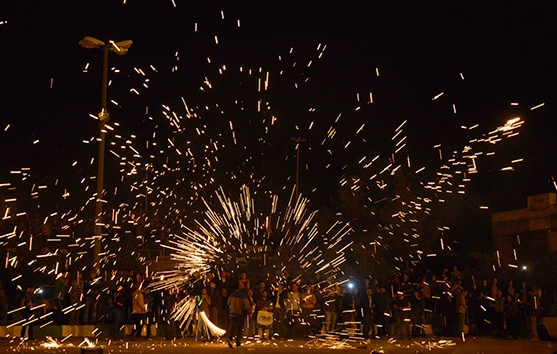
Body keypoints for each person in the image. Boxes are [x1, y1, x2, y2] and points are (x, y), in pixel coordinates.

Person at [227, 282, 252, 348]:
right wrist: (250, 312)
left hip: (232, 313)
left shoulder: (232, 294)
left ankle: (230, 338)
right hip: (240, 314)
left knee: (232, 327)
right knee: (239, 329)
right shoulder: (243, 295)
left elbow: (228, 303)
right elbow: (247, 306)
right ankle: (238, 342)